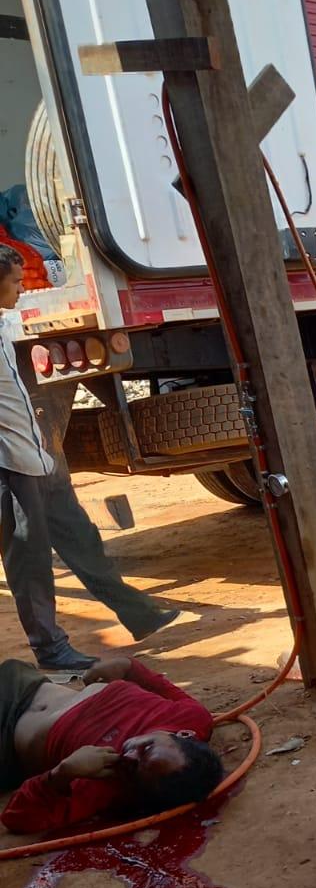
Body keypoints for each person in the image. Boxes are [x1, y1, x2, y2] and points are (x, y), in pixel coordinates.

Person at [0, 249, 180, 671]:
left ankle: (138, 613)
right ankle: (51, 649)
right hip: (10, 464)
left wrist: (40, 448)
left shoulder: (3, 324)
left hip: (34, 455)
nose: (23, 287)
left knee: (77, 533)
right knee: (29, 557)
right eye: (15, 281)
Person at [0, 652, 222, 834]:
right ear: (182, 735)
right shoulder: (192, 717)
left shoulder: (105, 782)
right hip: (24, 683)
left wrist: (62, 773)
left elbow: (17, 817)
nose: (129, 755)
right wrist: (126, 666)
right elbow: (154, 681)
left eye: (134, 768)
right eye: (147, 748)